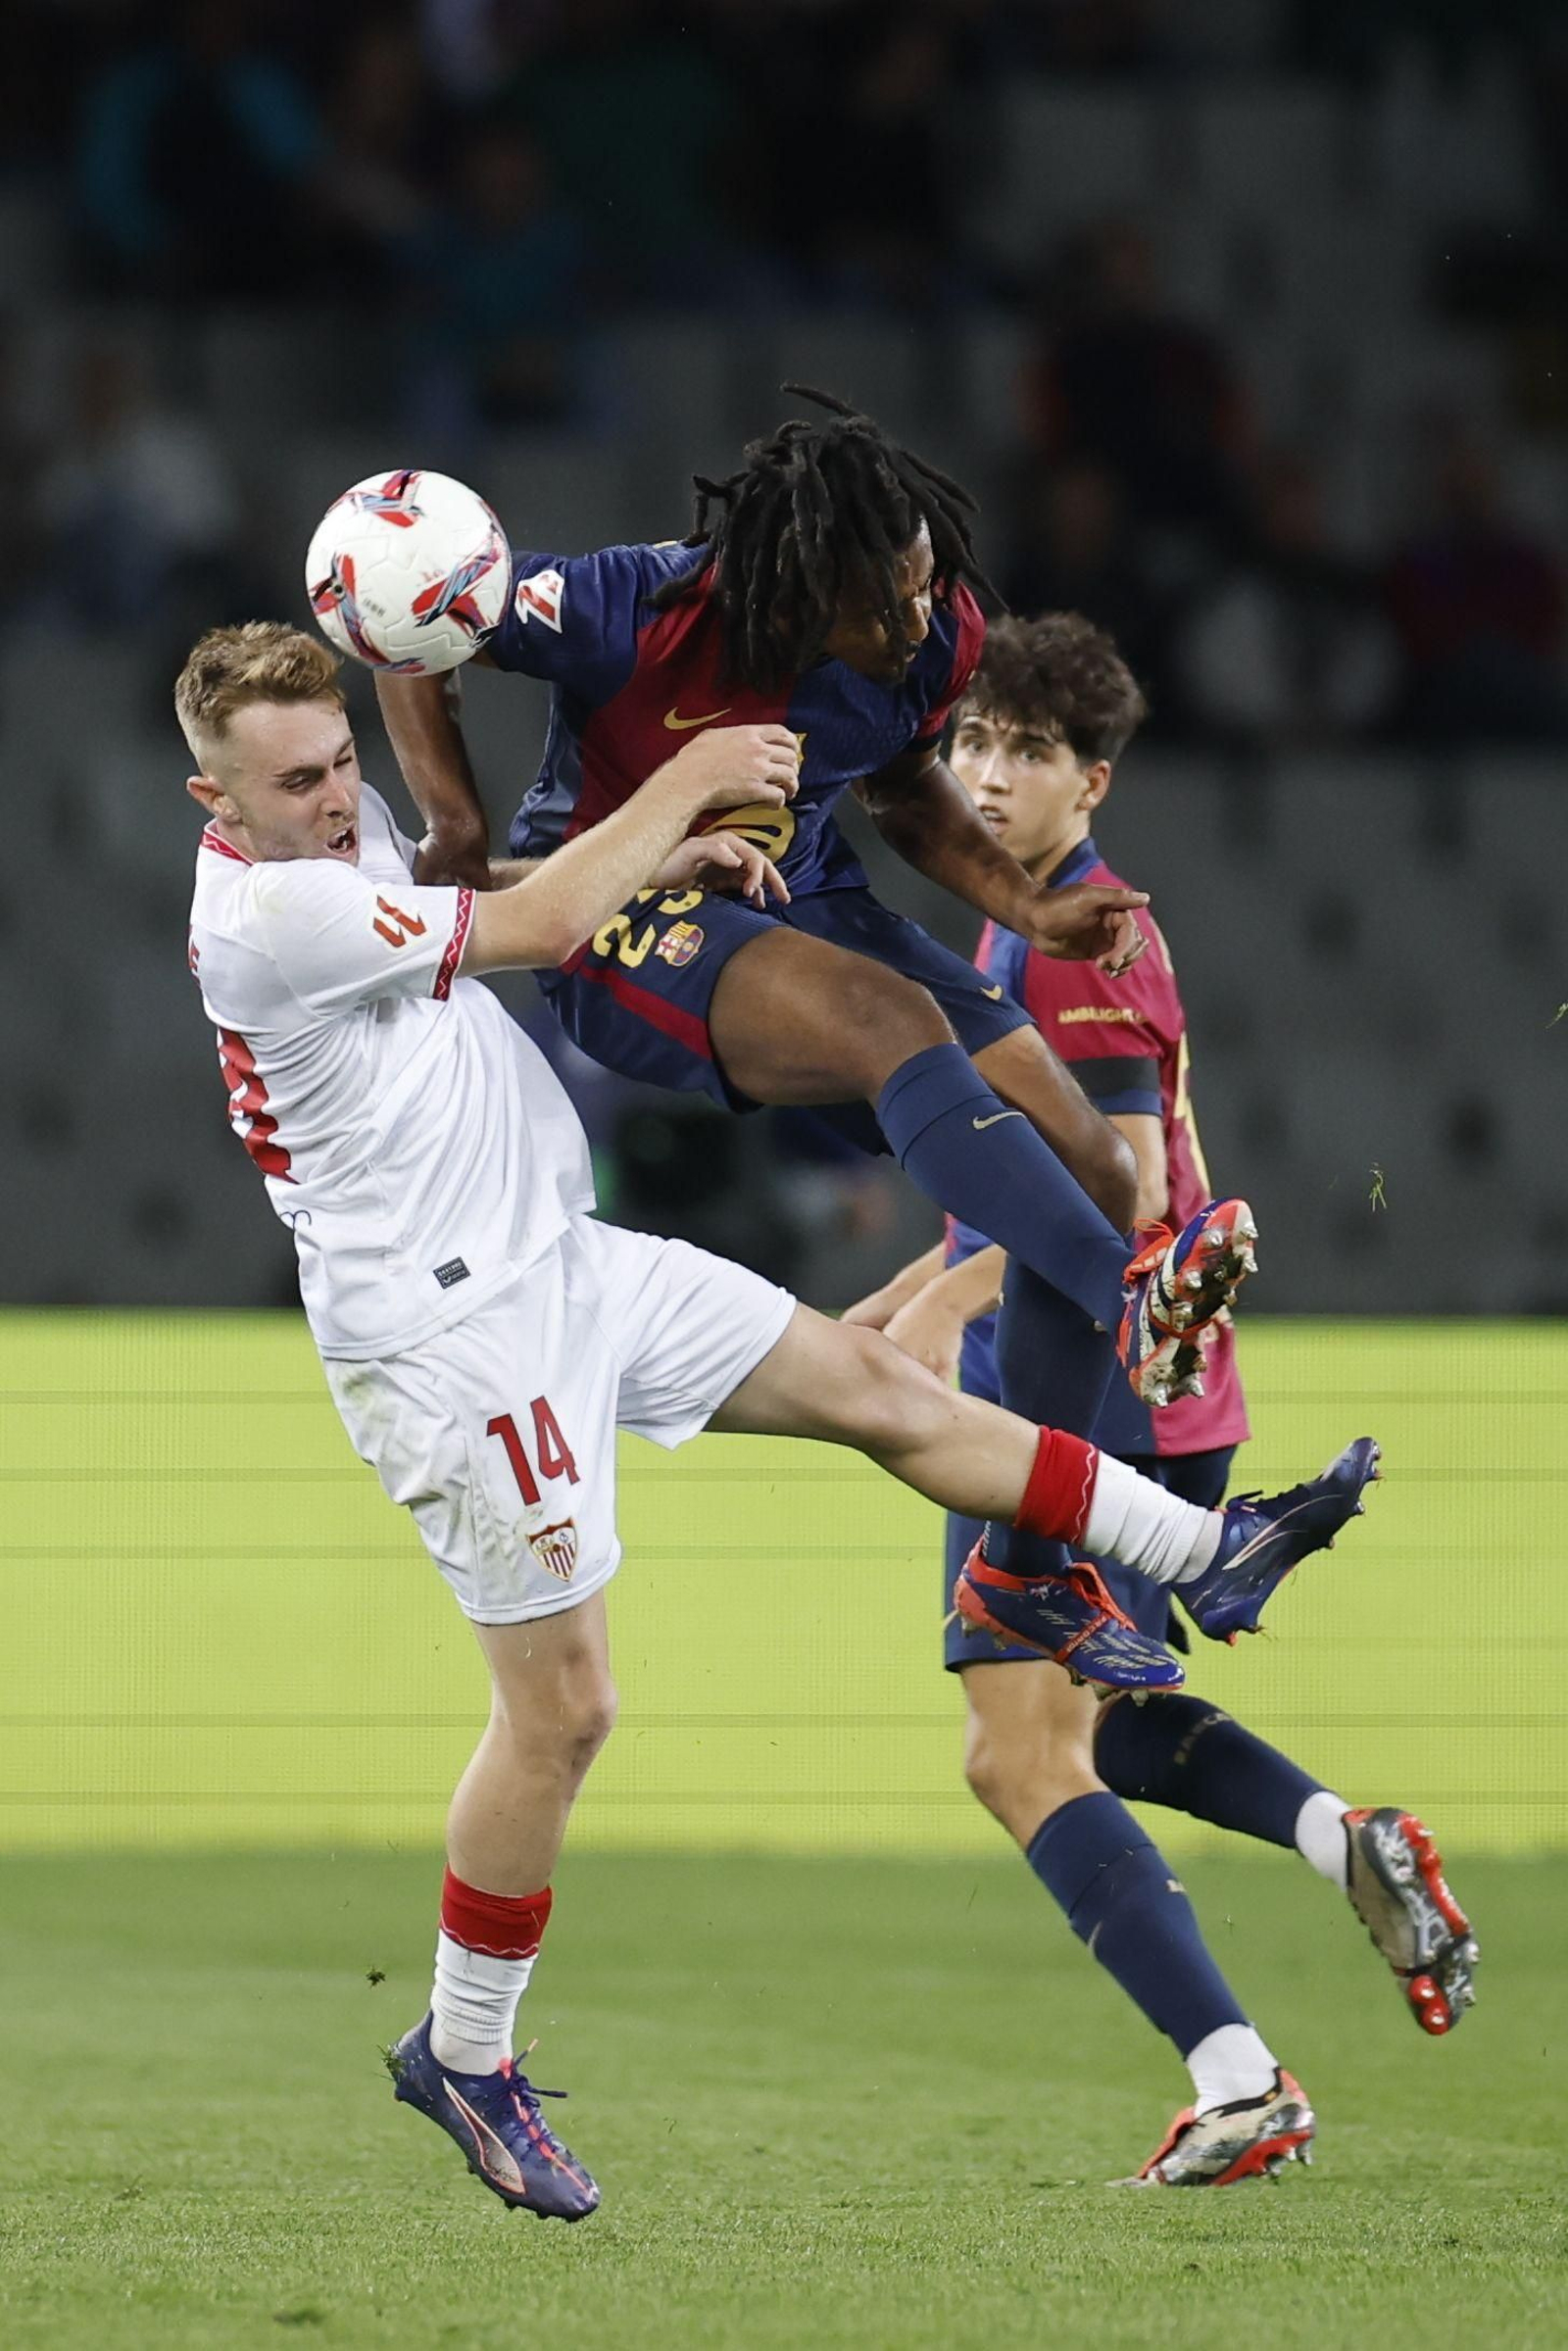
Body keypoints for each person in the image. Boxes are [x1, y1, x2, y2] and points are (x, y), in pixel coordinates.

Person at [178, 621, 1379, 2217]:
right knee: (566, 1713)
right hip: (449, 1339)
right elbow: (533, 913)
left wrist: (418, 666)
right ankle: (465, 2053)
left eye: (340, 761)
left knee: (887, 1387)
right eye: (296, 779)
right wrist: (686, 778)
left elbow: (456, 844)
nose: (338, 798)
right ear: (214, 797)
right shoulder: (269, 911)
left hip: (561, 1261)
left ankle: (1205, 1549)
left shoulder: (328, 828)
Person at [368, 389, 1255, 1687]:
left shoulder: (935, 624)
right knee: (917, 1048)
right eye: (880, 604)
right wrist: (451, 818)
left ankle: (1025, 1575)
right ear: (791, 593)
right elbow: (419, 622)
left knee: (1099, 1175)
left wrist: (1029, 909)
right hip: (624, 918)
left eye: (920, 586)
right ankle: (1128, 1292)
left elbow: (903, 780)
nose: (916, 621)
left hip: (803, 900)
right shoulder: (632, 609)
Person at [848, 613, 1477, 2184]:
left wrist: (945, 1294)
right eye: (973, 744)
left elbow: (1120, 1187)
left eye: (1029, 755)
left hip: (1082, 1399)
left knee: (1016, 1757)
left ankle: (1241, 2077)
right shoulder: (1031, 922)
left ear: (1094, 780)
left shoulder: (1086, 935)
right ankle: (1347, 1844)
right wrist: (909, 1285)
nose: (988, 778)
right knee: (1112, 1739)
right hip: (1142, 1398)